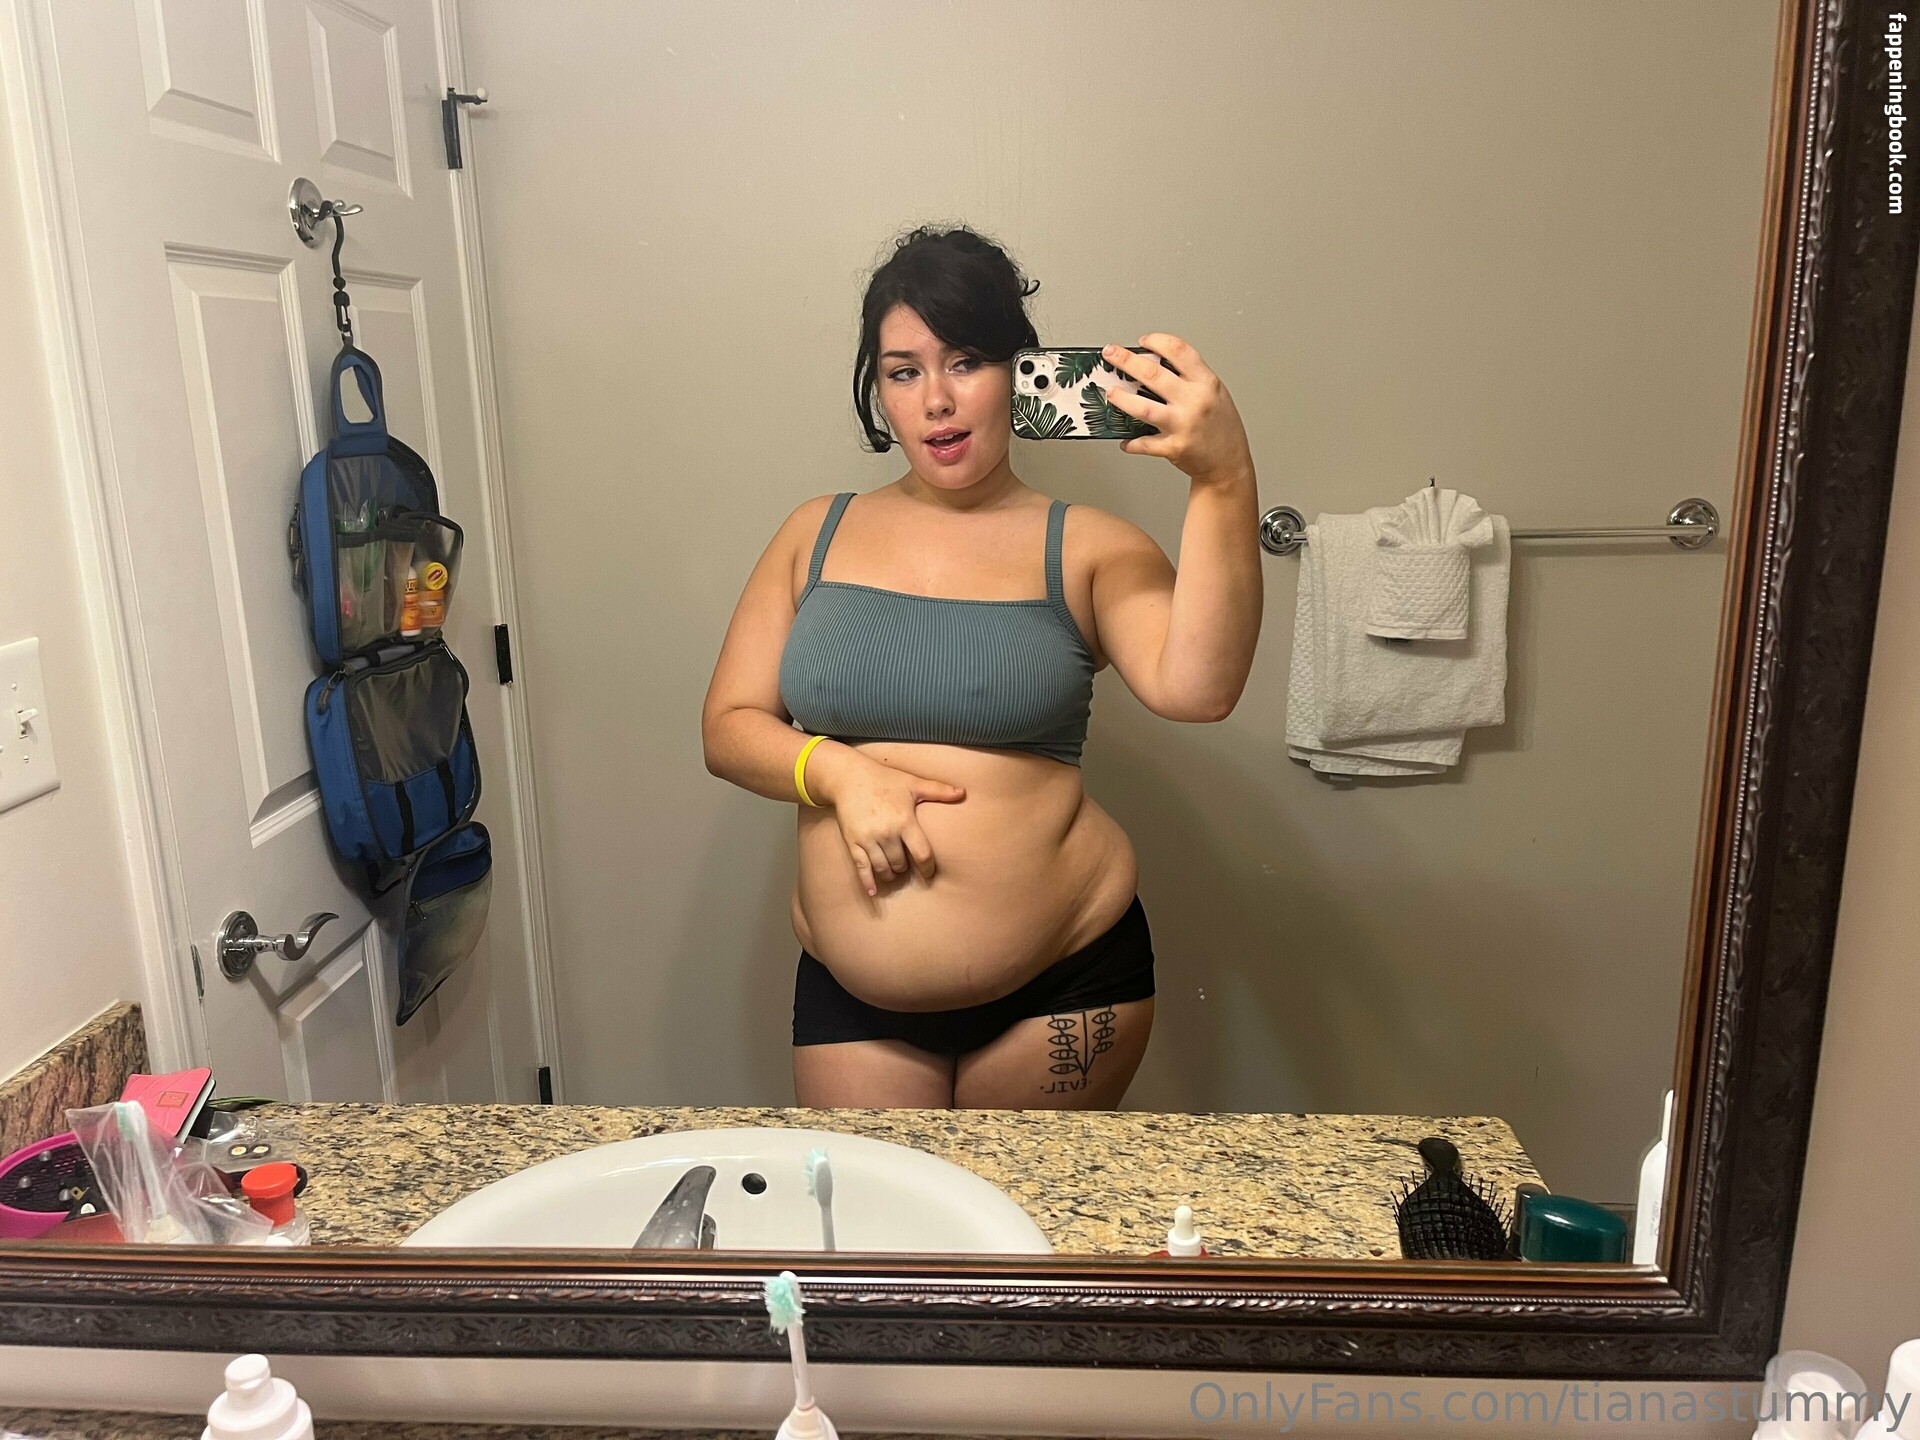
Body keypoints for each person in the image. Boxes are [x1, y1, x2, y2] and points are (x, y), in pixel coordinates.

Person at [701, 224, 1262, 1109]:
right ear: (877, 388)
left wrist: (1224, 479)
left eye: (966, 362)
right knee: (876, 1207)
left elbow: (1200, 689)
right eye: (903, 371)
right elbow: (728, 729)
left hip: (1065, 982)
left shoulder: (1089, 547)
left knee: (1020, 1209)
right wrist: (840, 774)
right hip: (853, 992)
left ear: (1019, 371)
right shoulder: (815, 533)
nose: (936, 400)